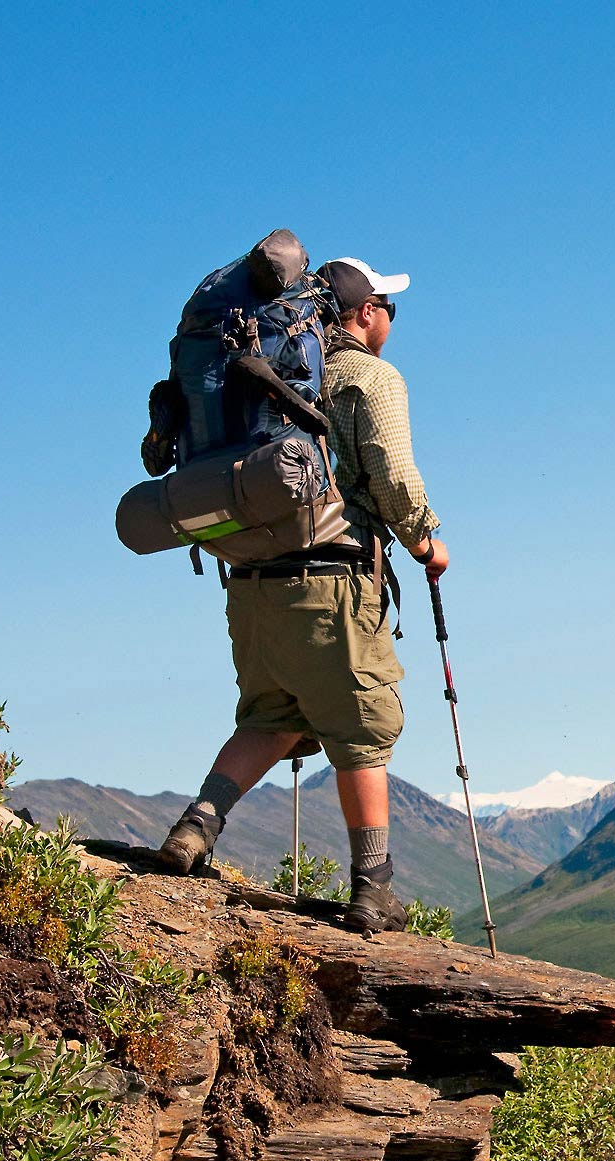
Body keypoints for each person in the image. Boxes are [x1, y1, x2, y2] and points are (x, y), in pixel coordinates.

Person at [156, 256, 450, 935]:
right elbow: (395, 478)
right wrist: (426, 542)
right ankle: (372, 889)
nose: (391, 323)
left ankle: (195, 829)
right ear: (363, 314)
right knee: (362, 729)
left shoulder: (254, 376)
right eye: (388, 308)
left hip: (251, 581)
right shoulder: (369, 378)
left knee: (271, 715)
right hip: (332, 580)